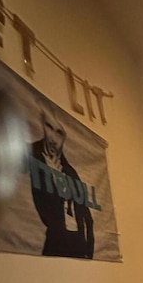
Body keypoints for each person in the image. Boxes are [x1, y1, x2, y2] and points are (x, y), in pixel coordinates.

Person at [28, 103, 94, 258]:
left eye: (59, 133)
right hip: (52, 251)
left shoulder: (71, 173)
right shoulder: (28, 155)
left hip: (77, 252)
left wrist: (88, 254)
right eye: (49, 127)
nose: (53, 138)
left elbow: (87, 220)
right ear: (42, 124)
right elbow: (47, 216)